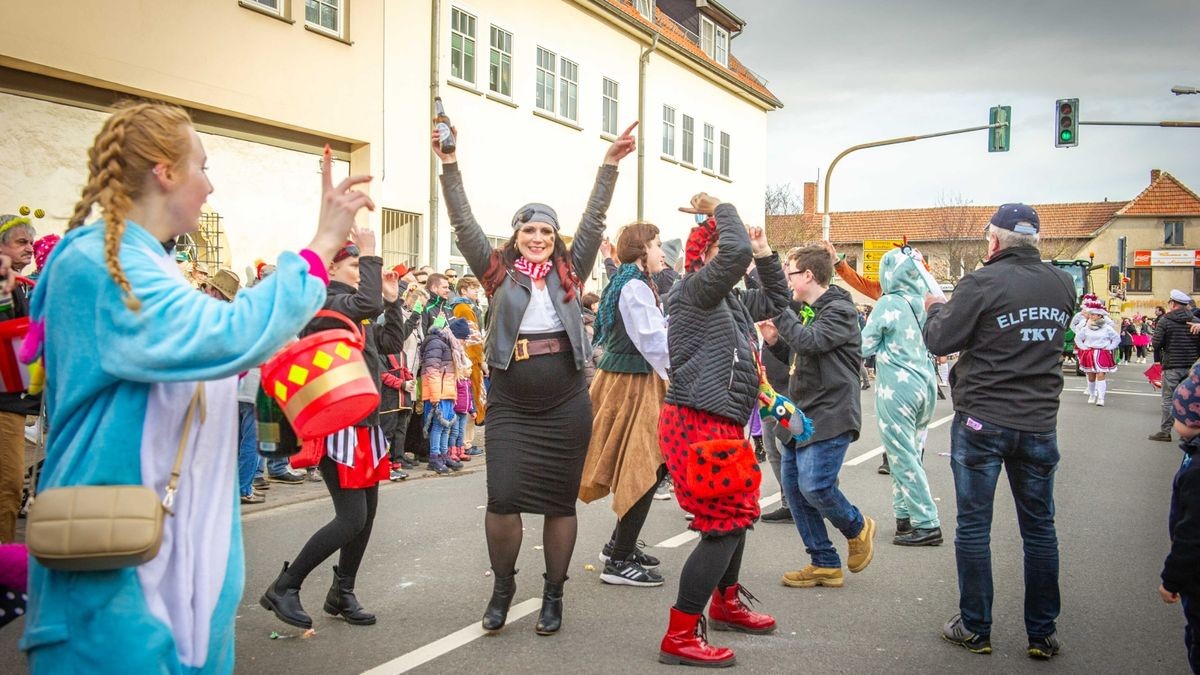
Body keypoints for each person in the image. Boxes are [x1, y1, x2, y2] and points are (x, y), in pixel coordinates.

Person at [21, 102, 367, 672]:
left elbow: (204, 361)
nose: (209, 186)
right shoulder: (100, 266)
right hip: (115, 576)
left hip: (166, 568)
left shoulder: (149, 267)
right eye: (202, 167)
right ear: (165, 172)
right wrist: (321, 245)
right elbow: (227, 334)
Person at [434, 119, 637, 636]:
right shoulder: (495, 272)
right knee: (502, 498)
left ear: (555, 239)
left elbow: (593, 221)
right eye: (530, 231)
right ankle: (502, 589)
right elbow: (463, 222)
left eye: (547, 232)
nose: (539, 239)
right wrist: (449, 164)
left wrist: (608, 165)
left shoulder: (572, 271)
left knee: (557, 503)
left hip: (567, 402)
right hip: (511, 405)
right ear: (516, 237)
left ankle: (553, 595)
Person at [923, 203, 1074, 659]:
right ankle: (1042, 632)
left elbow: (940, 340)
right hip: (1038, 421)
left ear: (994, 241)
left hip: (982, 420)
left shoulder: (981, 282)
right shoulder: (1062, 283)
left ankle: (975, 626)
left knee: (973, 526)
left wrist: (935, 309)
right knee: (1040, 528)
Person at [657, 194, 789, 667]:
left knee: (740, 514)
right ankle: (680, 633)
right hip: (696, 420)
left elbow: (777, 300)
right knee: (724, 524)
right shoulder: (695, 289)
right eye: (720, 249)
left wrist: (766, 254)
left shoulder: (728, 298)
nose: (732, 258)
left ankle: (727, 603)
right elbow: (732, 255)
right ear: (703, 257)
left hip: (721, 421)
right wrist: (722, 207)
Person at [261, 231, 414, 630]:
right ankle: (286, 585)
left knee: (367, 516)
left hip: (367, 425)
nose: (365, 273)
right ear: (332, 268)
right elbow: (365, 300)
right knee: (350, 518)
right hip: (338, 426)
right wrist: (370, 253)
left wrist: (393, 302)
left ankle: (341, 592)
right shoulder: (326, 302)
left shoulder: (354, 311)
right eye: (355, 266)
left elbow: (392, 341)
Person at [761, 244, 876, 589]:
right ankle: (823, 561)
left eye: (791, 273)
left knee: (815, 485)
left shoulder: (839, 310)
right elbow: (801, 353)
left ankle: (857, 526)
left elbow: (811, 342)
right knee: (795, 491)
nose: (788, 280)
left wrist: (782, 315)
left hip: (831, 411)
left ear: (808, 275)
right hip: (803, 410)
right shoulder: (809, 310)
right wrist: (774, 342)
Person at [578, 222, 670, 588]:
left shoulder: (628, 280)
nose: (663, 252)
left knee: (650, 467)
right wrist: (684, 371)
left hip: (627, 379)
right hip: (634, 383)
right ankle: (618, 560)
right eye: (658, 244)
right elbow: (653, 341)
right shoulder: (634, 285)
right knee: (644, 467)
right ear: (641, 249)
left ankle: (620, 544)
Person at [860, 247, 941, 546]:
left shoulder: (888, 303)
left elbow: (863, 346)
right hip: (926, 383)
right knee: (907, 453)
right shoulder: (926, 302)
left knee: (902, 455)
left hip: (898, 388)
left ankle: (927, 521)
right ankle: (904, 518)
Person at [0, 213, 38, 544]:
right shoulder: (4, 285)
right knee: (8, 489)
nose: (30, 248)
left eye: (31, 242)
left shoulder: (18, 286)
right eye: (21, 242)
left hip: (14, 401)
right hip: (4, 402)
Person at [1162, 361, 1200, 673]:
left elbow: (1191, 533)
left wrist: (1172, 579)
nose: (1175, 424)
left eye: (1180, 418)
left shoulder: (1197, 469)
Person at [1150, 290, 1200, 442]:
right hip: (1191, 365)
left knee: (1168, 399)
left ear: (1173, 304)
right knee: (1191, 398)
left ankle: (1165, 431)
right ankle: (1190, 432)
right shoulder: (1196, 321)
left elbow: (1156, 343)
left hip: (1172, 365)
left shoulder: (1165, 320)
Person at [1075, 299, 1120, 406]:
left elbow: (1116, 339)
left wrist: (1109, 347)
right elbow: (1078, 338)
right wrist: (1084, 347)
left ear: (1100, 316)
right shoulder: (1086, 328)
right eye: (1091, 314)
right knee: (1091, 376)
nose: (1091, 316)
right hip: (1090, 353)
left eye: (1094, 314)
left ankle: (1101, 398)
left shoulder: (1107, 328)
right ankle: (1092, 395)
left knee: (1101, 374)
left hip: (1102, 353)